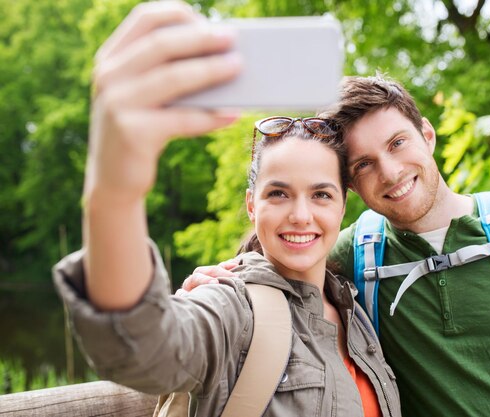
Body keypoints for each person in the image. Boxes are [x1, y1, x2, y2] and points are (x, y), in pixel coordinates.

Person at [187, 74, 490, 416]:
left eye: (398, 143)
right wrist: (226, 275)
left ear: (427, 134)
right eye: (365, 164)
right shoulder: (354, 255)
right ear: (351, 187)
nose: (392, 171)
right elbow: (288, 246)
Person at [52, 2, 401, 417]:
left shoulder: (357, 311)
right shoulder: (233, 307)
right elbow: (139, 350)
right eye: (278, 194)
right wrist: (114, 190)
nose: (301, 215)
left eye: (321, 195)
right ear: (252, 205)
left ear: (344, 204)